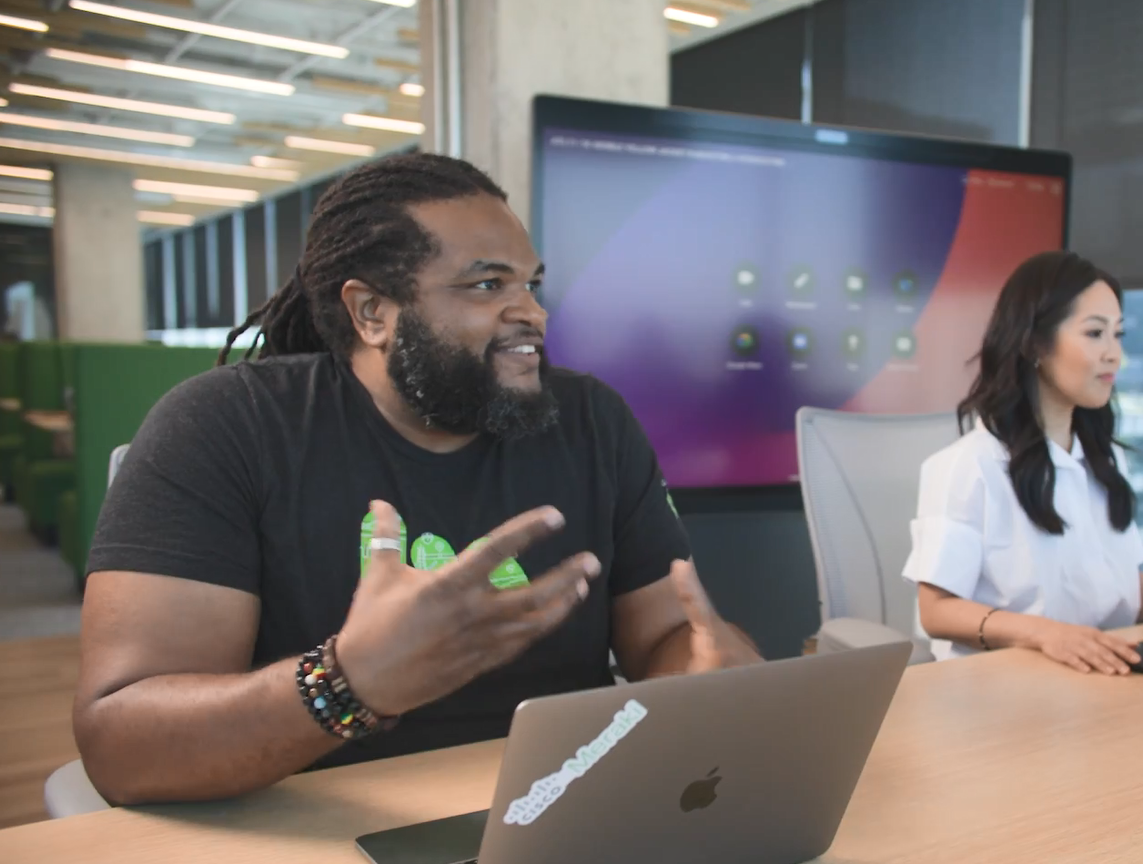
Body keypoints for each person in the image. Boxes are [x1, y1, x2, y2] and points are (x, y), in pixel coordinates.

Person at [74, 153, 759, 806]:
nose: (532, 312)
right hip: (314, 829)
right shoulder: (226, 426)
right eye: (488, 285)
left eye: (531, 284)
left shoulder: (592, 421)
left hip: (560, 809)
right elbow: (120, 746)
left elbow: (665, 634)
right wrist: (345, 684)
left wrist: (702, 674)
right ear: (372, 312)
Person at [902, 251, 1143, 673]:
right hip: (1000, 685)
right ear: (1035, 344)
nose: (1114, 354)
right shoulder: (968, 465)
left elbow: (1117, 583)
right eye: (1095, 333)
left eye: (1118, 334)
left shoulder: (1103, 460)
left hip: (1097, 673)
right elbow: (938, 610)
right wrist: (1044, 633)